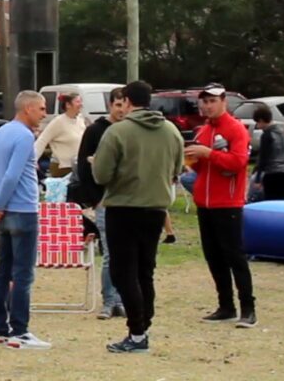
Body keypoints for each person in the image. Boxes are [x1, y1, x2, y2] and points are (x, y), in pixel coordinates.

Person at [92, 80, 184, 354]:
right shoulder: (171, 131)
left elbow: (101, 174)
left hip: (123, 208)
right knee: (145, 270)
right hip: (156, 209)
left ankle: (137, 332)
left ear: (128, 101)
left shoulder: (118, 131)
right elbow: (177, 168)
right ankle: (144, 324)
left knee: (123, 272)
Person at [0, 90, 50, 350]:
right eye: (41, 108)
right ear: (28, 108)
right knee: (22, 274)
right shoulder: (24, 135)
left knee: (3, 270)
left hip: (6, 211)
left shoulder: (0, 133)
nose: (44, 114)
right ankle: (20, 331)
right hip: (23, 210)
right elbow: (12, 175)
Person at [185, 83, 256, 328]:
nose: (207, 106)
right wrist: (192, 159)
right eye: (204, 102)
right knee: (213, 257)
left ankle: (248, 308)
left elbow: (238, 162)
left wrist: (209, 154)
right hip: (205, 203)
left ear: (224, 102)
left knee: (234, 256)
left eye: (212, 101)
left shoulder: (236, 129)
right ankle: (226, 305)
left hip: (227, 203)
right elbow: (199, 165)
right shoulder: (203, 130)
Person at [74, 86, 126, 320]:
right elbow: (83, 167)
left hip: (128, 200)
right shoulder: (95, 131)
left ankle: (122, 299)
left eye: (125, 105)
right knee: (110, 253)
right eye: (118, 105)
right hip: (104, 200)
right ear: (110, 105)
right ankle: (109, 300)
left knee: (125, 254)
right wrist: (95, 199)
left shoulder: (130, 130)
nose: (122, 110)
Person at [34, 91, 87, 177]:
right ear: (68, 105)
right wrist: (33, 161)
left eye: (81, 101)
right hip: (62, 168)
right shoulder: (58, 122)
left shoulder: (80, 120)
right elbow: (42, 140)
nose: (81, 104)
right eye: (77, 102)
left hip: (77, 165)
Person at [249, 106, 284, 202]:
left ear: (261, 120)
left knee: (270, 201)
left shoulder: (267, 134)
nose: (257, 126)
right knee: (281, 201)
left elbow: (263, 158)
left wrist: (258, 179)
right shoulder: (283, 132)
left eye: (257, 122)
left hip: (273, 173)